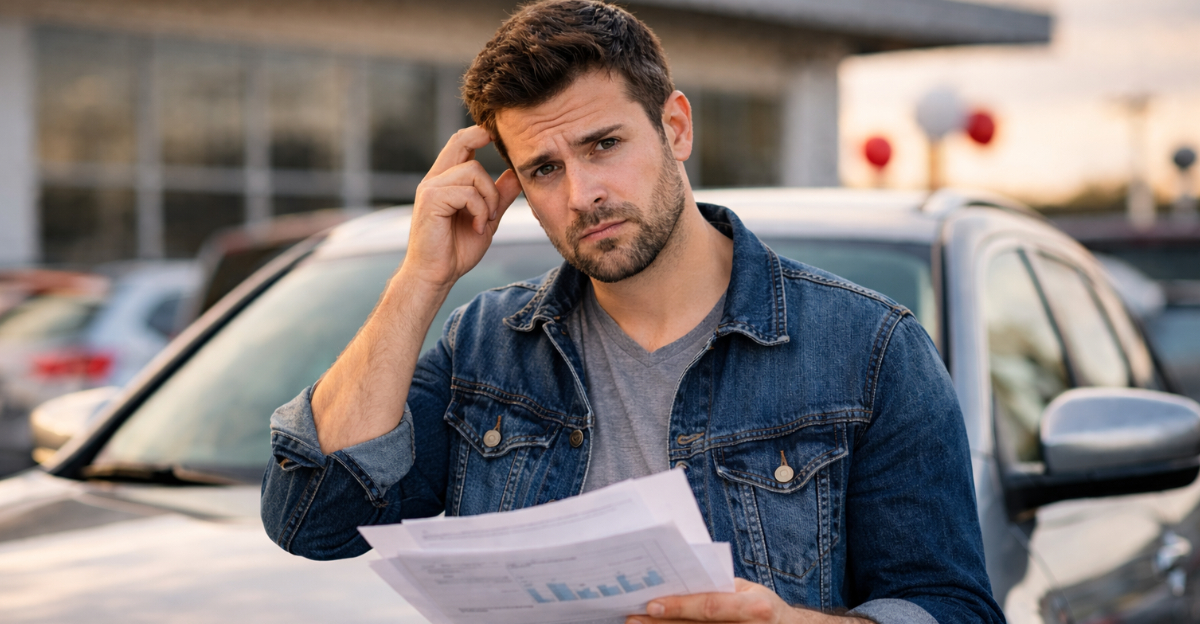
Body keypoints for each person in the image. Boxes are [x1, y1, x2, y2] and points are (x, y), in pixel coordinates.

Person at [261, 2, 1004, 623]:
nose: (582, 193)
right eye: (544, 169)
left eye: (604, 144)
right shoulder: (487, 349)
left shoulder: (869, 351)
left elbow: (952, 606)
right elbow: (313, 518)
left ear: (675, 128)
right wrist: (421, 278)